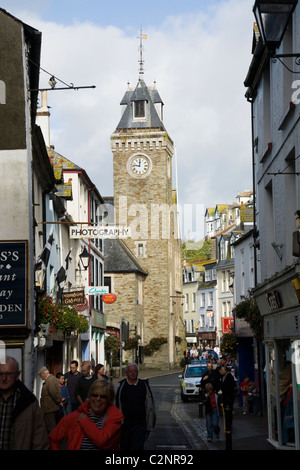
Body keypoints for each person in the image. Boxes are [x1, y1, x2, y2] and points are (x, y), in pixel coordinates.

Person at [48, 378, 124, 450]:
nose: (98, 399)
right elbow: (53, 438)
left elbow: (102, 441)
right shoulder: (74, 418)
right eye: (94, 395)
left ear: (109, 399)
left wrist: (85, 422)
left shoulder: (114, 418)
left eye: (103, 397)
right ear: (89, 396)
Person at [0, 356, 48, 450]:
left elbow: (40, 441)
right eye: (0, 374)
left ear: (17, 375)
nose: (4, 378)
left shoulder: (29, 402)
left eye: (8, 374)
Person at [115, 362, 156, 450]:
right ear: (126, 373)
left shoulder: (143, 385)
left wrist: (149, 424)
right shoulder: (121, 386)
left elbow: (150, 405)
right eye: (130, 371)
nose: (132, 373)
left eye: (134, 371)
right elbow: (115, 404)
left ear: (137, 372)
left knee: (137, 447)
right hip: (124, 425)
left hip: (140, 425)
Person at [38, 366, 62, 433]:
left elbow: (53, 392)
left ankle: (53, 441)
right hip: (51, 407)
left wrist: (58, 402)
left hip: (50, 408)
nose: (41, 377)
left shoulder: (50, 380)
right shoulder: (52, 378)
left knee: (51, 427)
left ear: (43, 374)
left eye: (40, 375)